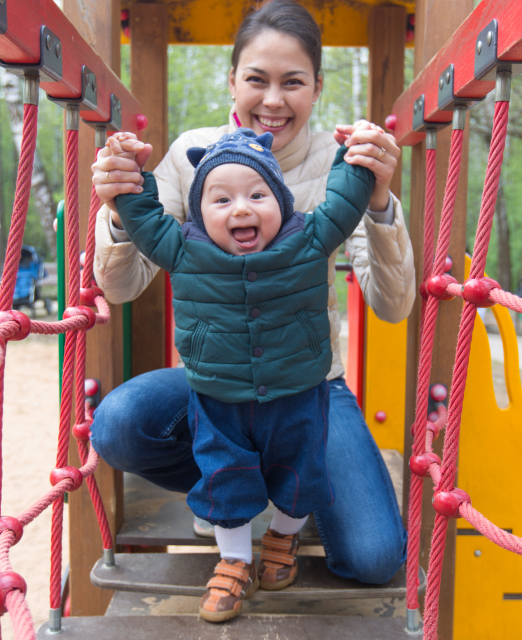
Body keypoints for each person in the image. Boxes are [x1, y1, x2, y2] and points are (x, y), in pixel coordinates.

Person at [90, 0, 415, 606]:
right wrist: (115, 210)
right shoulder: (193, 157)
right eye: (257, 79)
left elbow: (393, 306)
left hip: (311, 383)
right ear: (232, 80)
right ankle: (228, 487)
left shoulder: (340, 163)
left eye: (293, 82)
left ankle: (286, 485)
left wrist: (379, 201)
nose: (273, 100)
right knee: (116, 424)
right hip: (216, 381)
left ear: (317, 86)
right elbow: (121, 287)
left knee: (373, 557)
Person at [110, 126, 373, 620]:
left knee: (301, 473)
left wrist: (354, 158)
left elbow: (345, 202)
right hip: (218, 397)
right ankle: (233, 559)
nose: (242, 209)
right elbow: (144, 221)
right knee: (224, 476)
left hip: (297, 392)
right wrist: (130, 180)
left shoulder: (310, 238)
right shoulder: (184, 248)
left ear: (282, 201)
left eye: (258, 194)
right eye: (221, 199)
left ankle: (281, 539)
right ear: (198, 211)